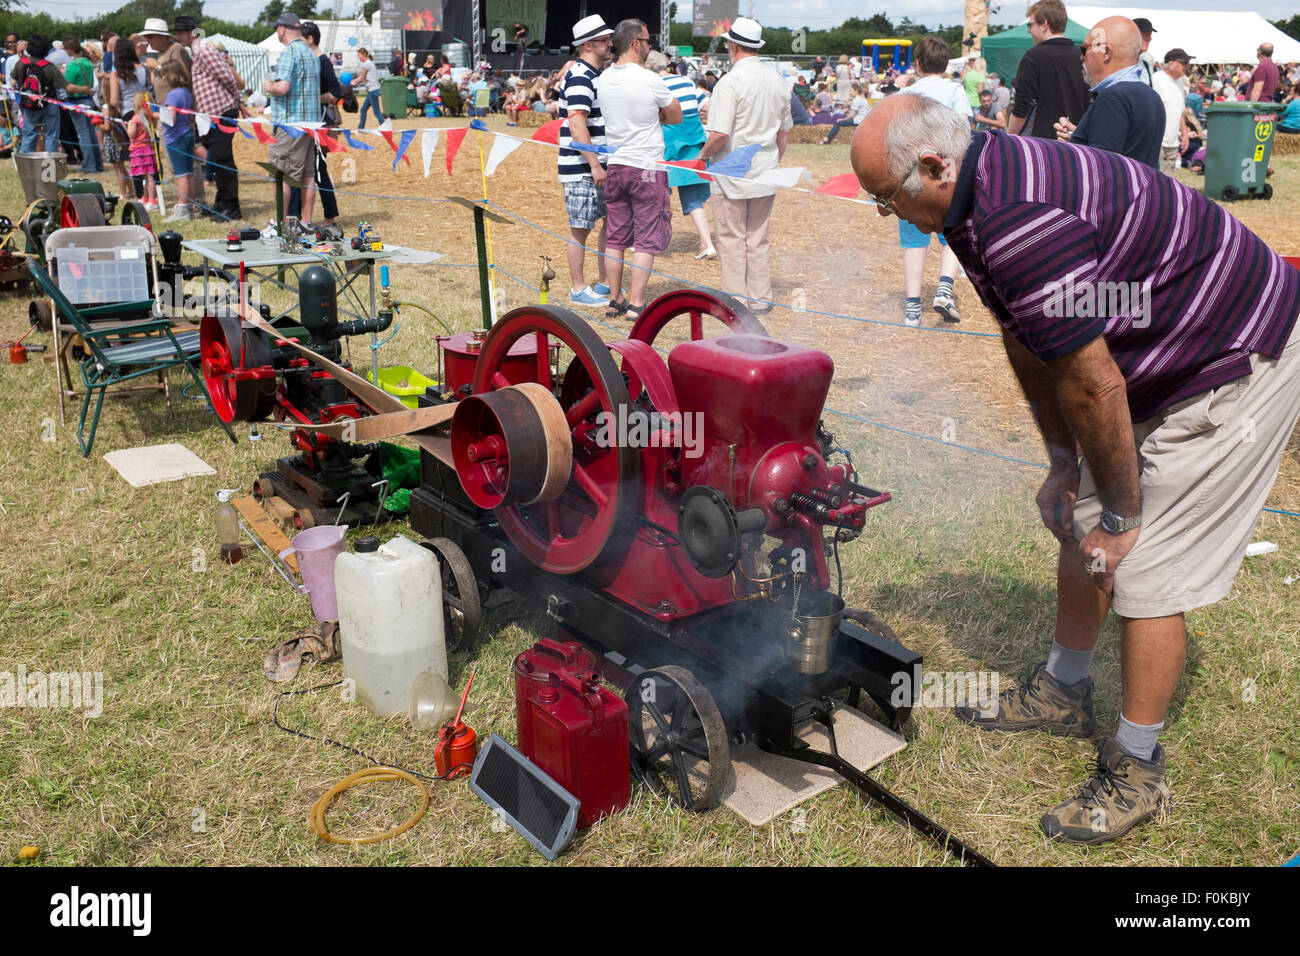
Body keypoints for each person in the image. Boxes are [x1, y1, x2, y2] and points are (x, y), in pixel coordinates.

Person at [851, 92, 1300, 846]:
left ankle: (1136, 764)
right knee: (1080, 521)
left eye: (887, 197)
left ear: (934, 164)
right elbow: (1027, 341)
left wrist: (1126, 517)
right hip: (1155, 352)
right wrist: (1064, 464)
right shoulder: (967, 196)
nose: (887, 214)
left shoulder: (1021, 222)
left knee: (1146, 564)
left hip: (1236, 355)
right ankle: (1063, 687)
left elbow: (1095, 384)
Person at [698, 17, 790, 316]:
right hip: (765, 169)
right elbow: (783, 133)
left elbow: (720, 133)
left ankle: (735, 303)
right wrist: (774, 162)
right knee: (758, 238)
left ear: (734, 46)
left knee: (731, 238)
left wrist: (701, 158)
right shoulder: (777, 80)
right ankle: (760, 299)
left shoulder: (730, 82)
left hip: (731, 173)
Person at [595, 19, 680, 322]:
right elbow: (676, 115)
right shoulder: (649, 79)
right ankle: (636, 303)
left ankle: (615, 298)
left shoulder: (603, 79)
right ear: (635, 43)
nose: (650, 46)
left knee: (616, 237)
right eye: (647, 41)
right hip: (646, 167)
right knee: (646, 236)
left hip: (616, 164)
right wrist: (656, 115)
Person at [896, 35, 971, 326]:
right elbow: (964, 129)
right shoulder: (955, 90)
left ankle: (913, 308)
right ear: (945, 63)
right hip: (948, 165)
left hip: (912, 169)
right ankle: (944, 288)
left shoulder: (906, 93)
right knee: (951, 232)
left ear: (918, 64)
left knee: (913, 239)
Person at [557, 15, 615, 308]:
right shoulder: (580, 75)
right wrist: (593, 164)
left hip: (594, 166)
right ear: (589, 44)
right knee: (580, 228)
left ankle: (604, 283)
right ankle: (578, 288)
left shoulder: (591, 75)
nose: (610, 44)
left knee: (606, 224)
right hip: (583, 168)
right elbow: (577, 122)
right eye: (605, 40)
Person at [1053, 17, 1164, 170]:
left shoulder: (1113, 98)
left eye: (1085, 48)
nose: (1082, 56)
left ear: (1106, 52)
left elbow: (1100, 172)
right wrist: (1080, 137)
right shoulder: (1151, 96)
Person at [648, 50, 714, 259]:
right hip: (694, 145)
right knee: (694, 200)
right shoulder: (686, 81)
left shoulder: (651, 85)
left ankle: (653, 241)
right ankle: (707, 243)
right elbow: (707, 106)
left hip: (666, 147)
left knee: (658, 195)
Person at [262, 12, 320, 226]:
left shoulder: (289, 53)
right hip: (310, 126)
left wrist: (268, 86)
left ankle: (281, 224)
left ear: (281, 29)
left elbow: (283, 87)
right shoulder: (311, 54)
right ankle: (305, 222)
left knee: (282, 175)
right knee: (307, 177)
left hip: (289, 125)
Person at [287, 21, 342, 228]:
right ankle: (300, 216)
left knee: (318, 170)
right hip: (305, 123)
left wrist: (311, 98)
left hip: (319, 124)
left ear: (309, 39)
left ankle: (329, 217)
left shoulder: (322, 61)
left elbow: (335, 93)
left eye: (300, 40)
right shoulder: (308, 61)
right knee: (305, 171)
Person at [1009, 0, 1090, 138]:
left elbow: (1022, 108)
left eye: (1030, 24)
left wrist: (1009, 137)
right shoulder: (1082, 56)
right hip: (1077, 141)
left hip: (1043, 146)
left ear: (1045, 24)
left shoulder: (1033, 57)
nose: (1028, 30)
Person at [192, 34, 244, 220]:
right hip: (210, 116)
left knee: (223, 160)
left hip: (221, 114)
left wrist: (240, 103)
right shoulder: (205, 61)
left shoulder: (219, 61)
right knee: (217, 160)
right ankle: (222, 202)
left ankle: (231, 207)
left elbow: (238, 84)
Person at [11, 35, 66, 153]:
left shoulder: (21, 63)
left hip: (29, 104)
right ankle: (49, 169)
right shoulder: (49, 66)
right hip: (49, 104)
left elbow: (12, 82)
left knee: (29, 136)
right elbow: (61, 85)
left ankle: (27, 167)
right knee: (51, 136)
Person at [61, 38, 100, 171]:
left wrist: (61, 75)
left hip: (77, 101)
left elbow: (67, 86)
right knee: (91, 133)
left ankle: (89, 165)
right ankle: (98, 164)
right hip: (88, 100)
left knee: (83, 135)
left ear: (70, 49)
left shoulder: (72, 65)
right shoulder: (87, 62)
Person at [1152, 49, 1191, 177]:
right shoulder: (1156, 79)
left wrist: (1185, 134)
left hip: (1173, 142)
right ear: (1171, 63)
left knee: (1168, 183)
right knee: (1154, 179)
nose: (1187, 65)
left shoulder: (1180, 82)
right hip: (1157, 141)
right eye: (1184, 62)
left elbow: (1180, 111)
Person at [126, 91, 160, 210]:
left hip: (140, 151)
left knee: (148, 178)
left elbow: (132, 134)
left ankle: (152, 200)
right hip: (148, 149)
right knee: (146, 177)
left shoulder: (136, 118)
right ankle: (145, 198)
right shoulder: (149, 117)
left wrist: (130, 125)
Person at [352, 47, 381, 128]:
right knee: (363, 110)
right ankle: (360, 129)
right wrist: (354, 80)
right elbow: (362, 77)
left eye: (359, 55)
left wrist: (353, 83)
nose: (358, 57)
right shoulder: (370, 62)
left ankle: (385, 129)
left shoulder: (366, 64)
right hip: (373, 90)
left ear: (364, 54)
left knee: (377, 112)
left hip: (373, 90)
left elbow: (362, 78)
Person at [1132, 17, 1157, 86]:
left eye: (1150, 35)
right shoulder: (1116, 63)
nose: (1150, 39)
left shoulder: (1147, 66)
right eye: (1146, 35)